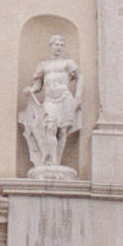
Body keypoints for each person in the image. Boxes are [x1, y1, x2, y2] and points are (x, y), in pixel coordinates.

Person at [19, 34, 82, 171]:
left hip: (65, 97)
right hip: (50, 99)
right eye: (56, 44)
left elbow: (79, 77)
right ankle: (50, 159)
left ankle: (56, 161)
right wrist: (30, 90)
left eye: (61, 45)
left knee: (63, 131)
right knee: (50, 126)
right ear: (51, 46)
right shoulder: (43, 66)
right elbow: (38, 85)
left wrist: (78, 96)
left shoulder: (68, 63)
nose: (58, 47)